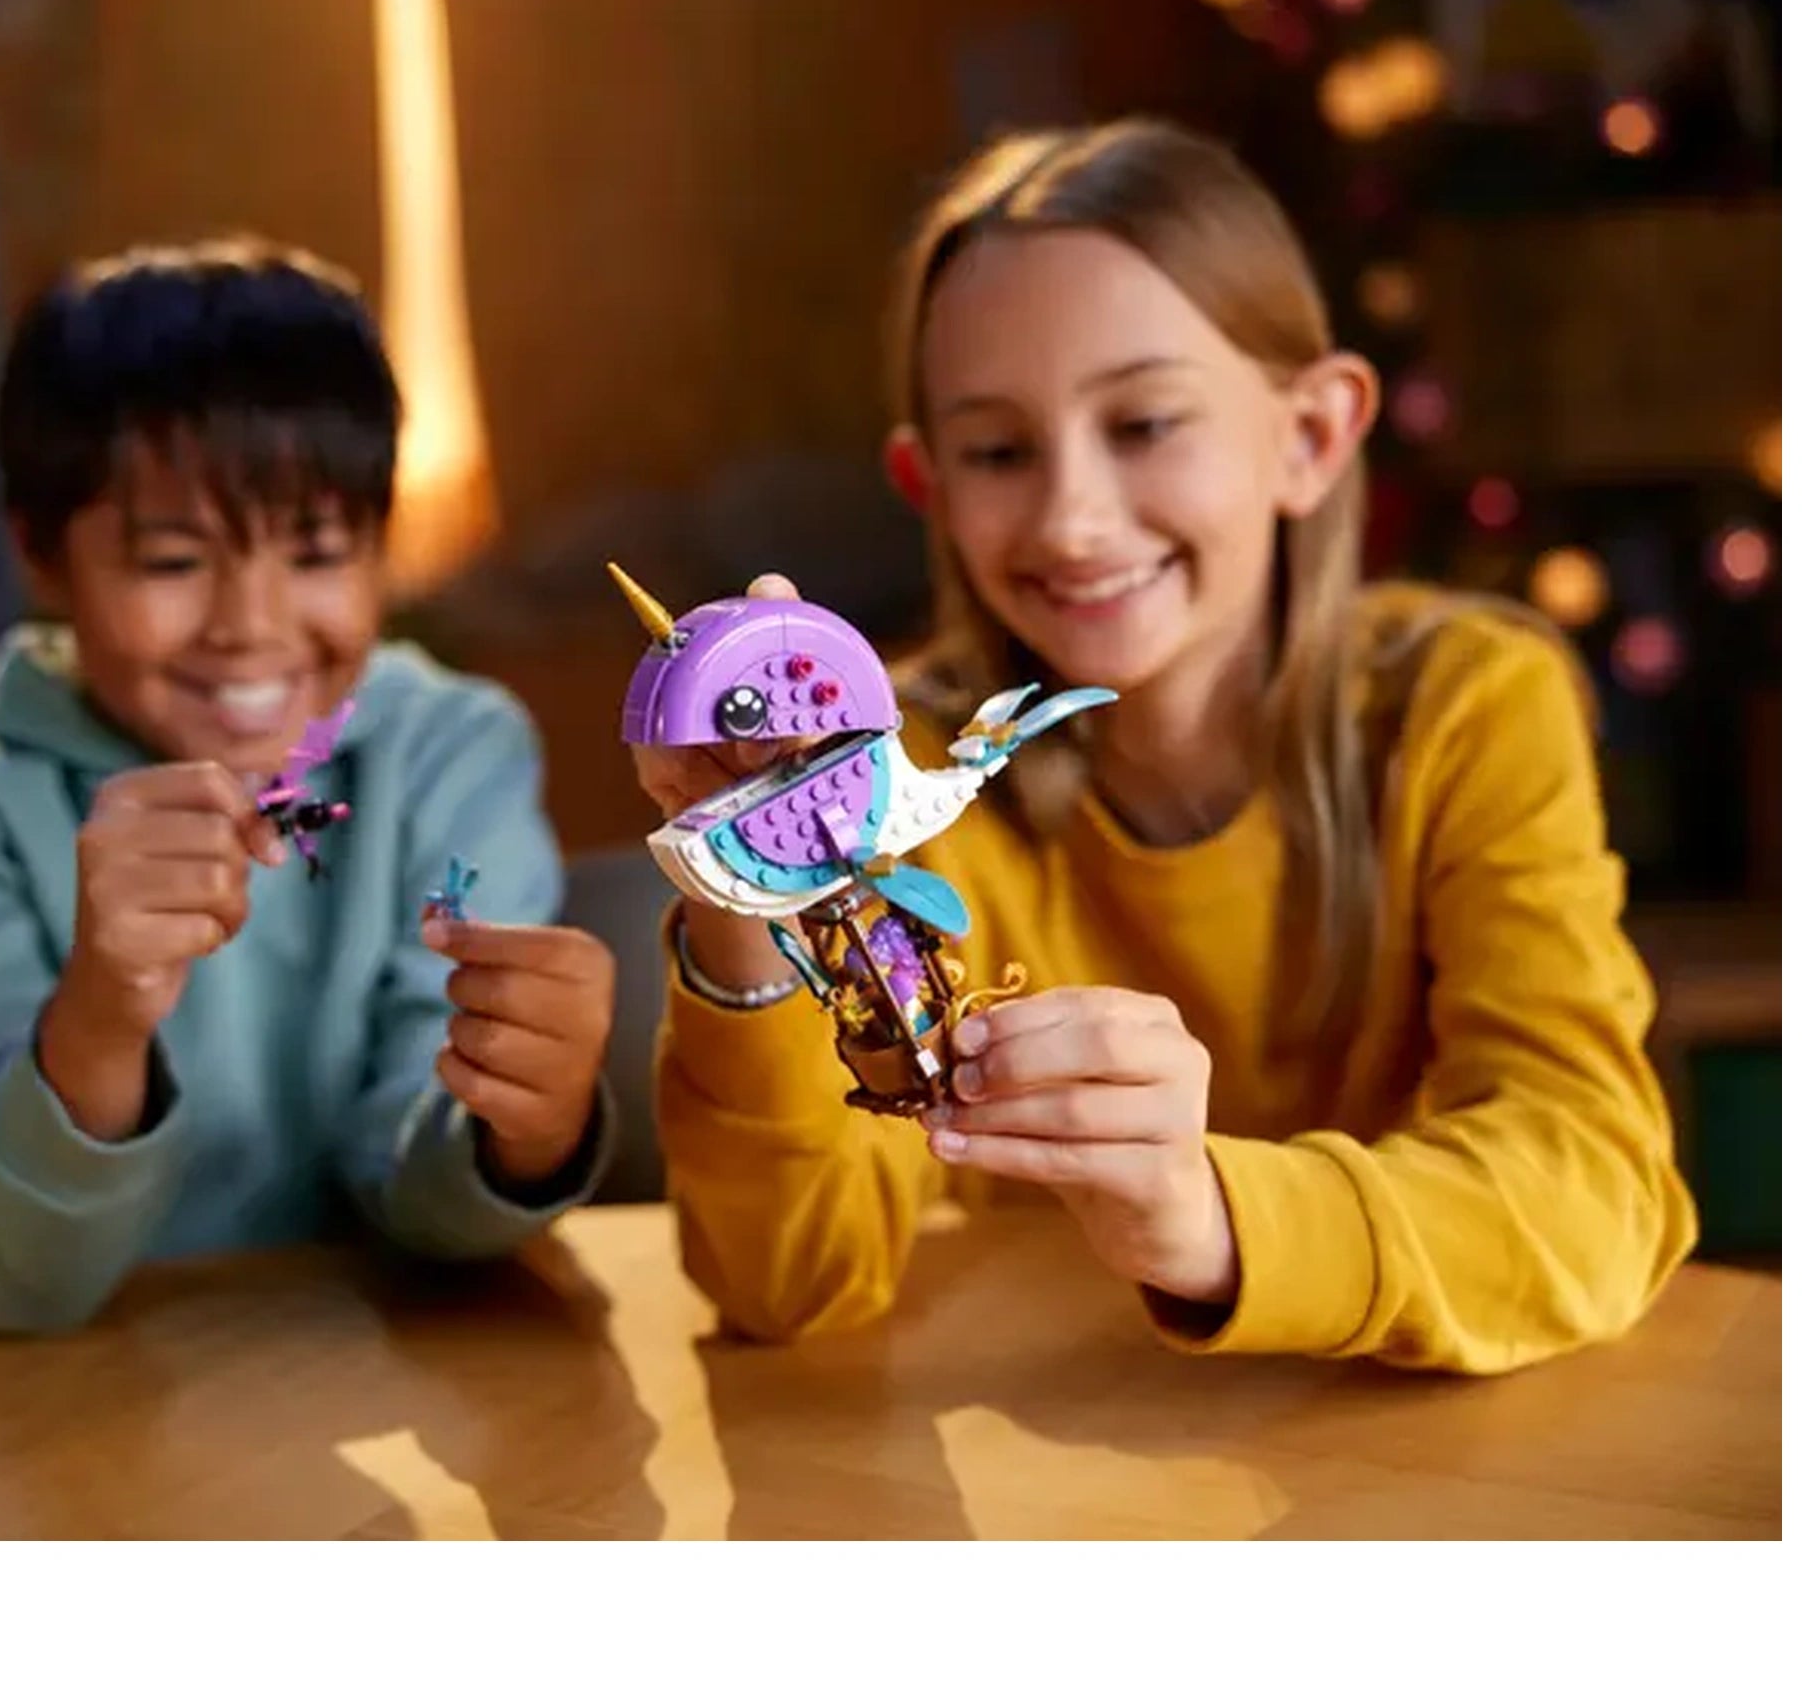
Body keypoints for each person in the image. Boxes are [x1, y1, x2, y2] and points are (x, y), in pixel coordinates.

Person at [638, 120, 1694, 1373]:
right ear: (928, 483)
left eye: (1142, 424)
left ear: (1310, 435)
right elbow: (787, 1282)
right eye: (996, 450)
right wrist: (746, 895)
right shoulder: (901, 779)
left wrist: (1208, 1217)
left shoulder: (1465, 708)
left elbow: (1590, 1184)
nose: (1073, 517)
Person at [0, 238, 615, 1332]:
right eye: (173, 563)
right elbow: (7, 1277)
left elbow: (430, 1197)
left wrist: (529, 1126)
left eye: (315, 553)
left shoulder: (448, 750)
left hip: (308, 1381)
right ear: (39, 554)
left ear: (379, 544)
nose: (252, 628)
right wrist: (97, 1014)